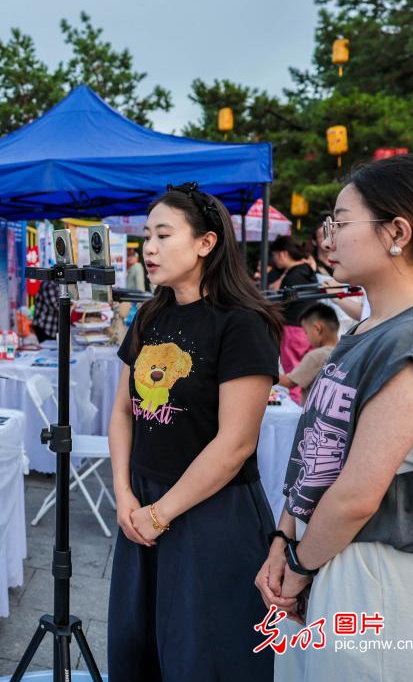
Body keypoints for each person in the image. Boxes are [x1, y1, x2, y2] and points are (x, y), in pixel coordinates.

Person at [256, 154, 413, 681]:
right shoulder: (369, 328)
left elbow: (357, 494)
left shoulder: (411, 340)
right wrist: (284, 540)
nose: (327, 237)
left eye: (342, 221)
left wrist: (300, 564)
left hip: (370, 568)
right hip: (324, 551)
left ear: (397, 231)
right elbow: (314, 453)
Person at [108, 183, 282, 681]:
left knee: (205, 654)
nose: (150, 247)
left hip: (211, 513)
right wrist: (123, 494)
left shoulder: (242, 324)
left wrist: (161, 514)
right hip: (142, 504)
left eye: (164, 234)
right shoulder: (150, 314)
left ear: (206, 243)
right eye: (147, 236)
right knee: (140, 645)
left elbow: (235, 444)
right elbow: (123, 410)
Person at [269, 235, 320, 400]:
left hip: (292, 330)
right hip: (311, 329)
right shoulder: (309, 271)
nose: (274, 261)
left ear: (283, 254)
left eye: (274, 256)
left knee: (293, 374)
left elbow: (283, 306)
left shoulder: (291, 278)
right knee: (308, 373)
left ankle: (295, 408)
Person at [277, 304, 339, 405]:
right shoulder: (345, 350)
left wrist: (266, 371)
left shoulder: (317, 356)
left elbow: (289, 382)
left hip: (313, 412)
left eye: (306, 332)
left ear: (317, 328)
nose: (306, 337)